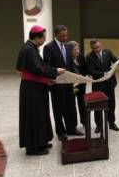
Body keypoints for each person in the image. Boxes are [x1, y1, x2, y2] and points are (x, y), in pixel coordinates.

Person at [16, 25, 65, 155]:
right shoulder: (28, 50)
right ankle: (32, 147)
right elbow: (38, 70)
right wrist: (55, 71)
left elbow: (40, 67)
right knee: (34, 116)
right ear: (37, 38)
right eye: (43, 38)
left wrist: (48, 79)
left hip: (37, 87)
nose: (44, 40)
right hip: (31, 90)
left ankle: (41, 141)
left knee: (41, 114)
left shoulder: (32, 48)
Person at [43, 25, 82, 142]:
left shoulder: (67, 46)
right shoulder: (48, 47)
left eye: (66, 35)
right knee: (58, 109)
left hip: (68, 83)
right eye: (62, 36)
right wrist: (52, 77)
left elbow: (70, 64)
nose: (65, 38)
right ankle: (60, 132)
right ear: (56, 35)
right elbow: (47, 66)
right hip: (57, 85)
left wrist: (76, 76)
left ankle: (71, 128)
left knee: (70, 107)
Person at [86, 38, 119, 133]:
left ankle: (112, 123)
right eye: (94, 48)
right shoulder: (89, 57)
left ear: (101, 45)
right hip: (98, 85)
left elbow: (115, 60)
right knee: (98, 106)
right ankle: (99, 126)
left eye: (98, 47)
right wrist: (103, 74)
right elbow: (91, 71)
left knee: (111, 104)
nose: (97, 49)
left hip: (110, 84)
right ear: (91, 48)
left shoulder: (107, 52)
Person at [69, 41, 87, 128]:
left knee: (82, 103)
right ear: (69, 51)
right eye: (74, 49)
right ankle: (73, 124)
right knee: (72, 105)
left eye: (77, 49)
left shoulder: (81, 56)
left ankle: (84, 122)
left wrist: (83, 77)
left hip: (82, 84)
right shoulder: (67, 59)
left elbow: (85, 69)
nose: (77, 51)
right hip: (72, 85)